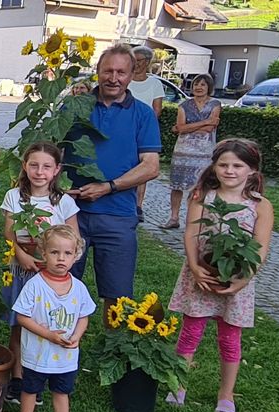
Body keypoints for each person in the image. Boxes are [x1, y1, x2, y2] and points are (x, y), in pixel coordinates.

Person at [165, 139, 273, 412]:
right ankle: (178, 385)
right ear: (214, 167)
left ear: (252, 171)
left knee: (230, 338)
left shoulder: (260, 206)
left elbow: (259, 247)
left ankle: (226, 394)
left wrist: (244, 279)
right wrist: (194, 266)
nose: (230, 171)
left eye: (238, 166)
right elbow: (191, 233)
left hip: (237, 281)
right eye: (223, 164)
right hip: (201, 275)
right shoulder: (203, 196)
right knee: (191, 331)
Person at [65, 43, 161, 313]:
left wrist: (108, 187)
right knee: (60, 283)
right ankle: (62, 346)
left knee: (117, 297)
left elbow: (151, 166)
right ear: (97, 71)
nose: (114, 78)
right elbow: (53, 149)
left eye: (121, 72)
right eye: (108, 71)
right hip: (71, 213)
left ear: (132, 75)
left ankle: (114, 349)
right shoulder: (76, 108)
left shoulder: (142, 114)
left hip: (117, 216)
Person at [1, 141, 79, 403]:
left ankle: (42, 374)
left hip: (50, 277)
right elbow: (9, 231)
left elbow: (73, 238)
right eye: (33, 165)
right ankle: (18, 377)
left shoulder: (64, 202)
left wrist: (56, 261)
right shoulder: (15, 197)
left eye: (46, 166)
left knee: (47, 323)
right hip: (21, 269)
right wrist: (20, 253)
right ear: (25, 166)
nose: (39, 172)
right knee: (19, 324)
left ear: (56, 170)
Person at [11, 225, 94, 412]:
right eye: (55, 252)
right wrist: (48, 334)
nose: (61, 258)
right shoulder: (35, 285)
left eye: (67, 253)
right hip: (38, 353)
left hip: (65, 356)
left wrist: (76, 335)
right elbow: (22, 317)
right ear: (43, 253)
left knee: (62, 390)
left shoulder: (78, 288)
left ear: (76, 256)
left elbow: (84, 316)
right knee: (30, 388)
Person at [163, 74, 221, 229]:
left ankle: (194, 219)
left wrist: (191, 126)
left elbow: (209, 129)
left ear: (209, 87)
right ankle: (174, 218)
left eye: (202, 84)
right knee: (177, 185)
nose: (198, 87)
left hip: (204, 152)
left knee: (199, 185)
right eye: (196, 84)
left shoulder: (215, 104)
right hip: (182, 151)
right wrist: (206, 121)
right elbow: (180, 128)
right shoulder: (184, 105)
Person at [128, 45, 165, 223]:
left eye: (139, 61)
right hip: (123, 129)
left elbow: (157, 109)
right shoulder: (126, 80)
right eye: (133, 60)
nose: (135, 64)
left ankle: (138, 205)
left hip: (144, 130)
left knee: (143, 166)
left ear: (148, 62)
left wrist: (143, 126)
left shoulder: (155, 83)